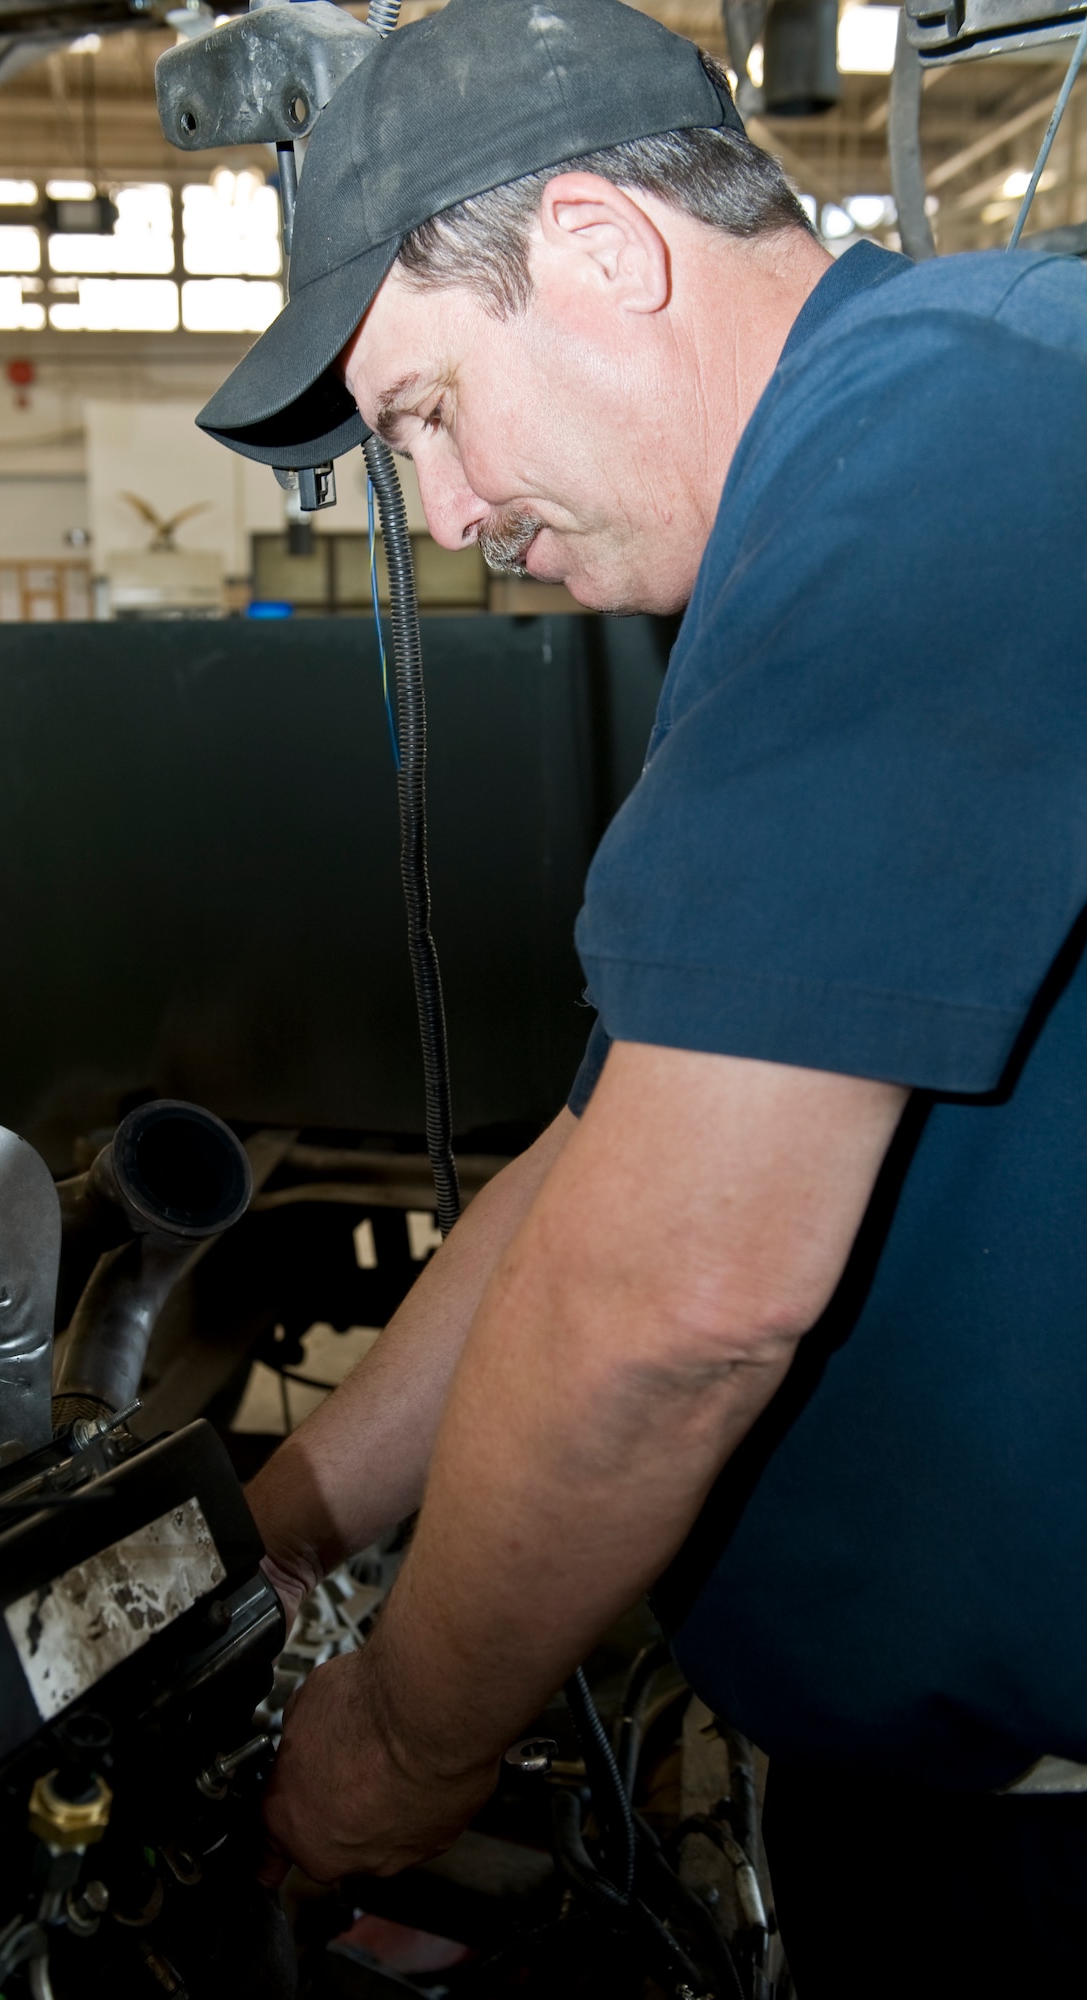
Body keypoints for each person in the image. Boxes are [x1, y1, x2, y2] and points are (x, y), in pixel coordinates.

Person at [197, 0, 1087, 1988]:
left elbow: (666, 1306)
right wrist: (275, 1523)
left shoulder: (938, 450)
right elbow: (586, 1183)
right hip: (933, 1812)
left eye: (422, 409)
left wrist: (401, 1748)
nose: (439, 519)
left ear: (598, 248)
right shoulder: (855, 479)